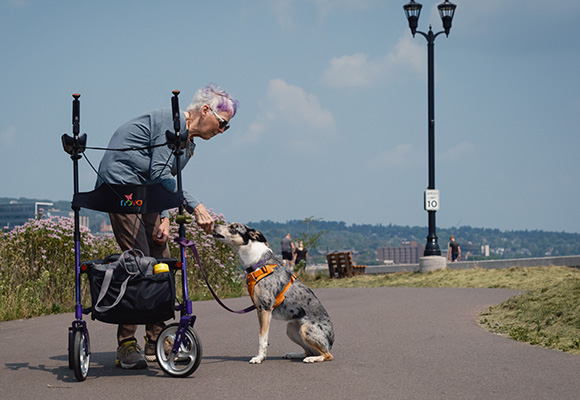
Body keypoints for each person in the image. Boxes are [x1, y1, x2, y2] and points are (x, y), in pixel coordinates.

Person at [95, 83, 239, 369]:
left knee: (160, 260)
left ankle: (156, 339)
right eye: (223, 124)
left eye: (227, 128)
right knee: (138, 261)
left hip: (145, 194)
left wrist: (164, 216)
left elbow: (159, 179)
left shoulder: (189, 146)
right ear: (206, 110)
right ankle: (126, 344)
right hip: (121, 187)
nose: (222, 131)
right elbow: (159, 171)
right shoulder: (167, 120)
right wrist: (195, 206)